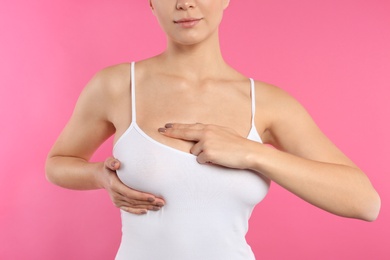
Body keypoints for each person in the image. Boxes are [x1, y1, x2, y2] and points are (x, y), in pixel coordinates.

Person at [45, 0, 381, 259]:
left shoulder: (266, 103)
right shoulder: (116, 86)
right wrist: (100, 177)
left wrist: (252, 153)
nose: (185, 3)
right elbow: (58, 163)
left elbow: (365, 203)